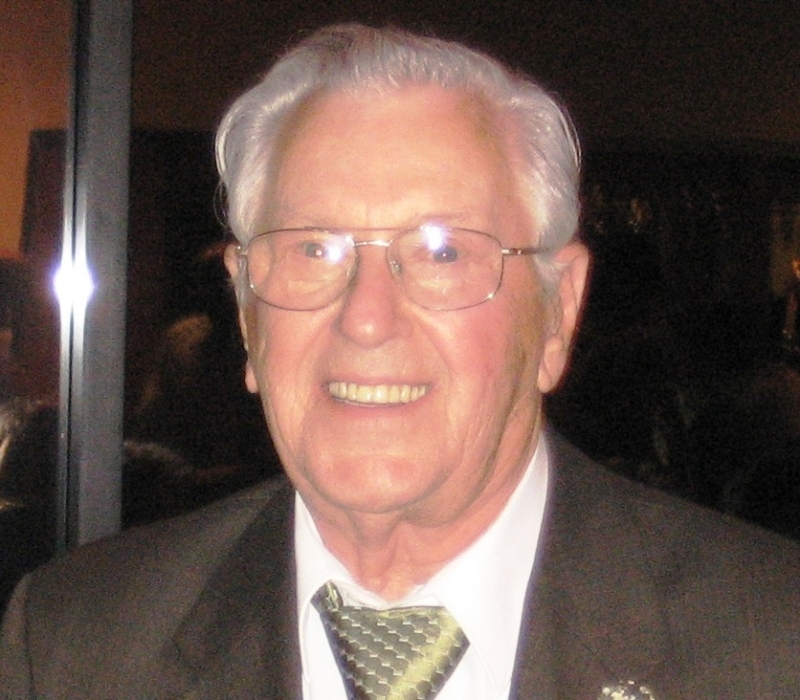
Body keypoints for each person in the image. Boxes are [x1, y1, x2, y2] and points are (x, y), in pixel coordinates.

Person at [2, 23, 798, 700]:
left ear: (557, 312)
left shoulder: (770, 646)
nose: (367, 317)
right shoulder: (77, 645)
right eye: (314, 248)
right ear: (247, 314)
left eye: (442, 252)